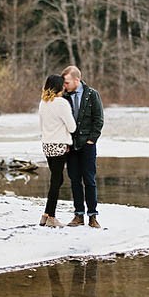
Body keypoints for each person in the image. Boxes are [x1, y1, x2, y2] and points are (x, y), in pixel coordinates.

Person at [61, 65, 104, 228]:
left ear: (76, 80)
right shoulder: (64, 97)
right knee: (74, 180)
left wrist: (91, 140)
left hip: (87, 145)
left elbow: (98, 119)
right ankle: (78, 215)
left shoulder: (92, 95)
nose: (64, 85)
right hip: (71, 146)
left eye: (67, 82)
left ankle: (92, 216)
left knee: (89, 180)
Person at [38, 74, 77, 228]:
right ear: (59, 87)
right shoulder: (61, 103)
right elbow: (72, 127)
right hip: (59, 145)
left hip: (47, 145)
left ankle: (46, 214)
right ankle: (51, 217)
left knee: (57, 179)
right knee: (56, 180)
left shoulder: (43, 103)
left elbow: (41, 125)